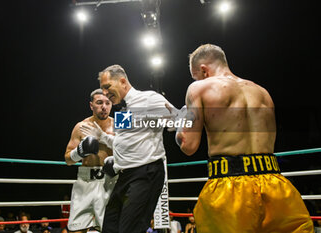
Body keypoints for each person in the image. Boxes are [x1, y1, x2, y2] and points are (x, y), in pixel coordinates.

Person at [174, 43, 314, 232]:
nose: (195, 80)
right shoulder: (262, 92)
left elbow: (188, 145)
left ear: (203, 70)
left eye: (195, 76)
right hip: (275, 185)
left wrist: (180, 122)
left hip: (230, 188)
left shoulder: (198, 88)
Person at [90, 64, 171, 233]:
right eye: (102, 89)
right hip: (124, 176)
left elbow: (180, 120)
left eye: (107, 87)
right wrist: (101, 136)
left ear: (122, 81)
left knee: (130, 229)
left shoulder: (149, 98)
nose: (105, 93)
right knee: (110, 228)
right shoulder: (124, 110)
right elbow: (121, 142)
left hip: (145, 173)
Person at [64, 88, 117, 232]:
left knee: (110, 228)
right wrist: (79, 152)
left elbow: (132, 151)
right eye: (99, 103)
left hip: (110, 181)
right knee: (76, 229)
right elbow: (68, 159)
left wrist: (117, 163)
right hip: (85, 182)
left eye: (108, 103)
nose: (104, 107)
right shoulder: (81, 127)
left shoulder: (119, 125)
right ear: (91, 105)